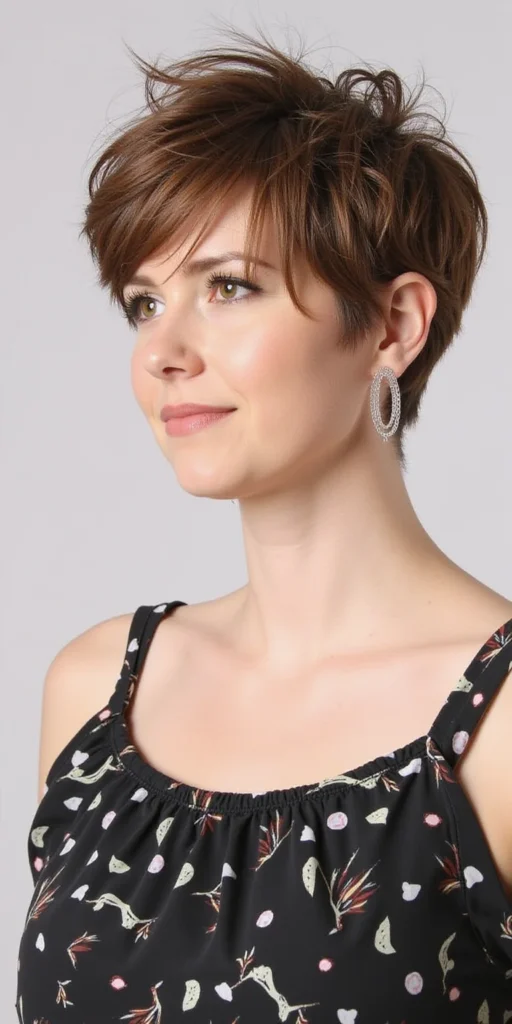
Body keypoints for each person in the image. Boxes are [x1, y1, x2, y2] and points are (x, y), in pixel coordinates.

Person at [16, 25, 512, 1023]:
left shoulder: (499, 729)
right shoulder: (95, 692)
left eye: (229, 287)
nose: (162, 350)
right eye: (143, 301)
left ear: (392, 326)